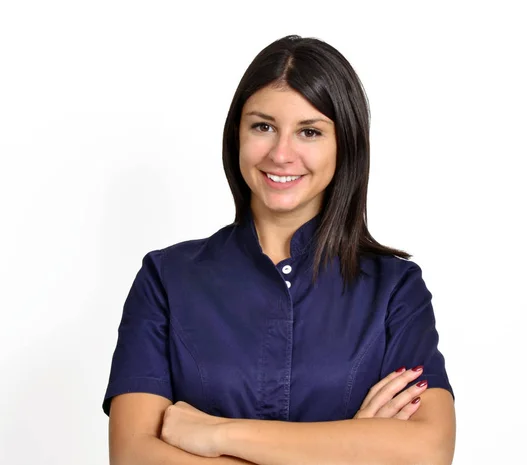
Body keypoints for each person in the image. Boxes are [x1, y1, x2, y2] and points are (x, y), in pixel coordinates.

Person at [103, 35, 456, 465]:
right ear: (237, 133)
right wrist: (353, 448)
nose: (281, 153)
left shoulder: (396, 291)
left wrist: (217, 434)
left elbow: (429, 451)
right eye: (263, 126)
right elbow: (133, 456)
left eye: (309, 131)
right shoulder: (165, 279)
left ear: (345, 144)